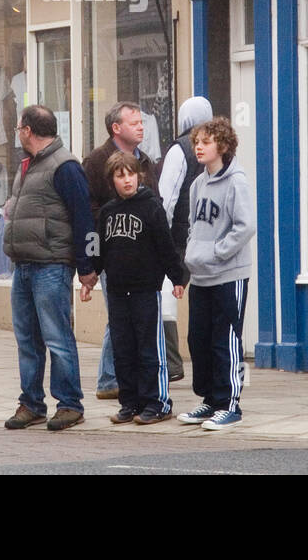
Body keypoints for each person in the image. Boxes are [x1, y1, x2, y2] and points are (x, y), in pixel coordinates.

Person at [2, 104, 98, 431]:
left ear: (28, 130)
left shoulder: (65, 166)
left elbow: (85, 218)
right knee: (27, 339)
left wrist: (87, 267)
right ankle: (31, 403)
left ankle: (70, 404)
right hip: (24, 265)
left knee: (57, 337)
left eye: (19, 127)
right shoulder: (29, 164)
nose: (18, 132)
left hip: (52, 266)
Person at [85, 151, 187, 425]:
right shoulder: (106, 213)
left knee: (148, 348)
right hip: (117, 292)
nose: (127, 180)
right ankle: (129, 403)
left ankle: (158, 402)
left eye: (131, 174)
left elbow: (165, 246)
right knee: (123, 349)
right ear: (112, 181)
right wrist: (90, 275)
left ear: (138, 176)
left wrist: (177, 278)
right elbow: (96, 247)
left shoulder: (151, 207)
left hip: (145, 291)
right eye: (120, 176)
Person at [178, 117, 254, 431]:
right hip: (201, 276)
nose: (198, 146)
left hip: (228, 274)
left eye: (206, 142)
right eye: (197, 141)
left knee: (225, 339)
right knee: (199, 339)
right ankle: (209, 399)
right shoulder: (197, 184)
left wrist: (217, 252)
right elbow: (194, 227)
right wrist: (193, 252)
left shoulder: (237, 180)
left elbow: (245, 226)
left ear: (221, 146)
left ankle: (229, 404)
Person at [82, 101, 152, 400]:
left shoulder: (144, 160)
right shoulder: (97, 162)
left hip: (141, 254)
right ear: (116, 128)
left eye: (141, 122)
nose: (141, 127)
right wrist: (92, 262)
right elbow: (87, 212)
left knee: (132, 319)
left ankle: (120, 377)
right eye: (134, 122)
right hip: (113, 253)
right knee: (119, 317)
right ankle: (109, 379)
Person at [157, 95, 213, 381]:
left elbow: (167, 197)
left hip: (179, 236)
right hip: (209, 235)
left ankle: (172, 361)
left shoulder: (180, 150)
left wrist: (158, 235)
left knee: (167, 293)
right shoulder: (217, 151)